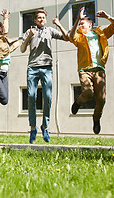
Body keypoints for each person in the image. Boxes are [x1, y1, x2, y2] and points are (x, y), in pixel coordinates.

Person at [68, 7, 114, 134]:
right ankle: (78, 102)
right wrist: (77, 20)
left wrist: (107, 16)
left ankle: (96, 119)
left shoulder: (100, 33)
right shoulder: (79, 37)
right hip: (85, 70)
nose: (80, 25)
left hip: (99, 70)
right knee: (88, 93)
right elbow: (70, 36)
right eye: (79, 24)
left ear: (90, 25)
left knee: (101, 99)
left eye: (82, 23)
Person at [20, 9, 68, 143]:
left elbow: (67, 37)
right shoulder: (30, 31)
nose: (41, 19)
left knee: (47, 96)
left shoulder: (50, 31)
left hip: (47, 67)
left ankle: (45, 126)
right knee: (31, 96)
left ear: (45, 19)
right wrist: (29, 36)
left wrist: (58, 24)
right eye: (39, 18)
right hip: (32, 68)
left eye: (43, 17)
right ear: (35, 20)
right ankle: (33, 128)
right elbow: (22, 49)